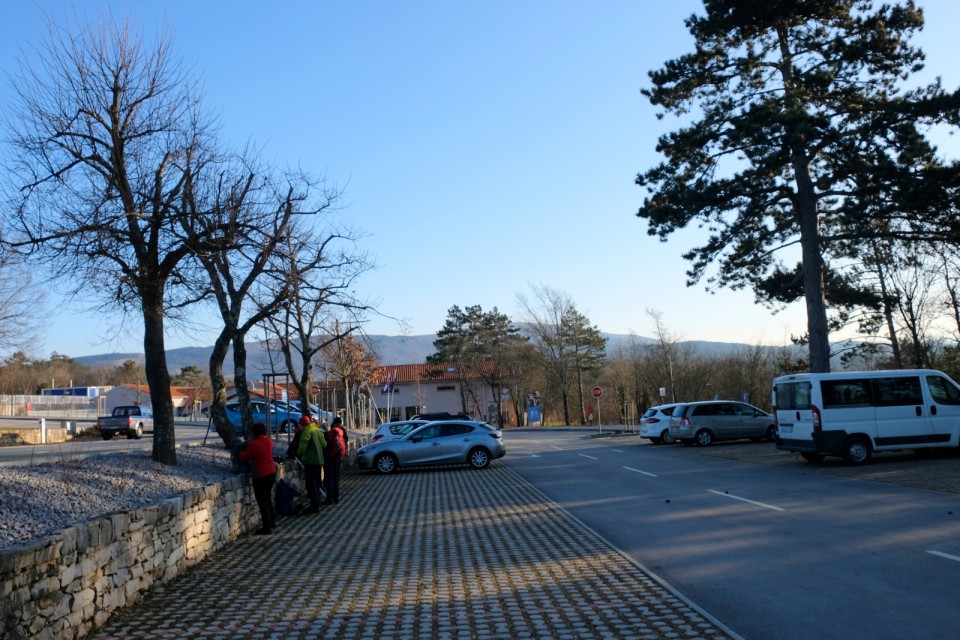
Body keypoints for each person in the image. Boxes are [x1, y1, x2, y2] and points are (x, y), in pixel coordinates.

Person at [238, 423, 277, 535]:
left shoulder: (253, 444)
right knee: (268, 498)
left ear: (254, 432)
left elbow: (245, 458)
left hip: (260, 474)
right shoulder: (268, 440)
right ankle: (272, 521)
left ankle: (267, 527)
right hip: (271, 472)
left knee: (262, 501)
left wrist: (240, 452)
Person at [296, 414, 326, 514]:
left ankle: (314, 505)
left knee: (311, 484)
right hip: (319, 460)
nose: (299, 427)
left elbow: (302, 448)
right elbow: (324, 444)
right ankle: (317, 503)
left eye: (300, 425)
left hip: (310, 461)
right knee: (317, 483)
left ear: (303, 425)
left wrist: (299, 453)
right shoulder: (317, 430)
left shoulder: (306, 432)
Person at [323, 416, 346, 504]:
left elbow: (326, 447)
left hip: (330, 460)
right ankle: (336, 498)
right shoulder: (339, 433)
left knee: (329, 480)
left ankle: (329, 499)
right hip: (337, 458)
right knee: (335, 479)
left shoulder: (327, 435)